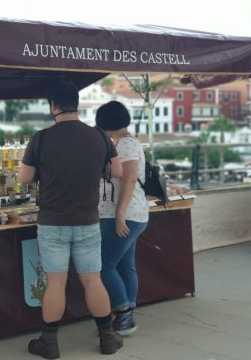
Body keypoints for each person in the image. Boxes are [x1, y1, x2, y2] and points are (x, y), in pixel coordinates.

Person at [19, 82, 123, 359]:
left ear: (53, 106)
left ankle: (49, 343)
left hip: (52, 221)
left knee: (56, 283)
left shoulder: (40, 138)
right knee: (92, 280)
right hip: (88, 219)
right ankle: (108, 338)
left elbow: (24, 178)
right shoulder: (99, 136)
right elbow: (118, 171)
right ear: (76, 103)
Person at [95, 101, 149, 336]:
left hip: (123, 214)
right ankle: (125, 314)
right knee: (125, 265)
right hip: (132, 213)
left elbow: (128, 179)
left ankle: (123, 314)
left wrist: (119, 214)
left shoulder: (125, 144)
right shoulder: (126, 141)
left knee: (105, 266)